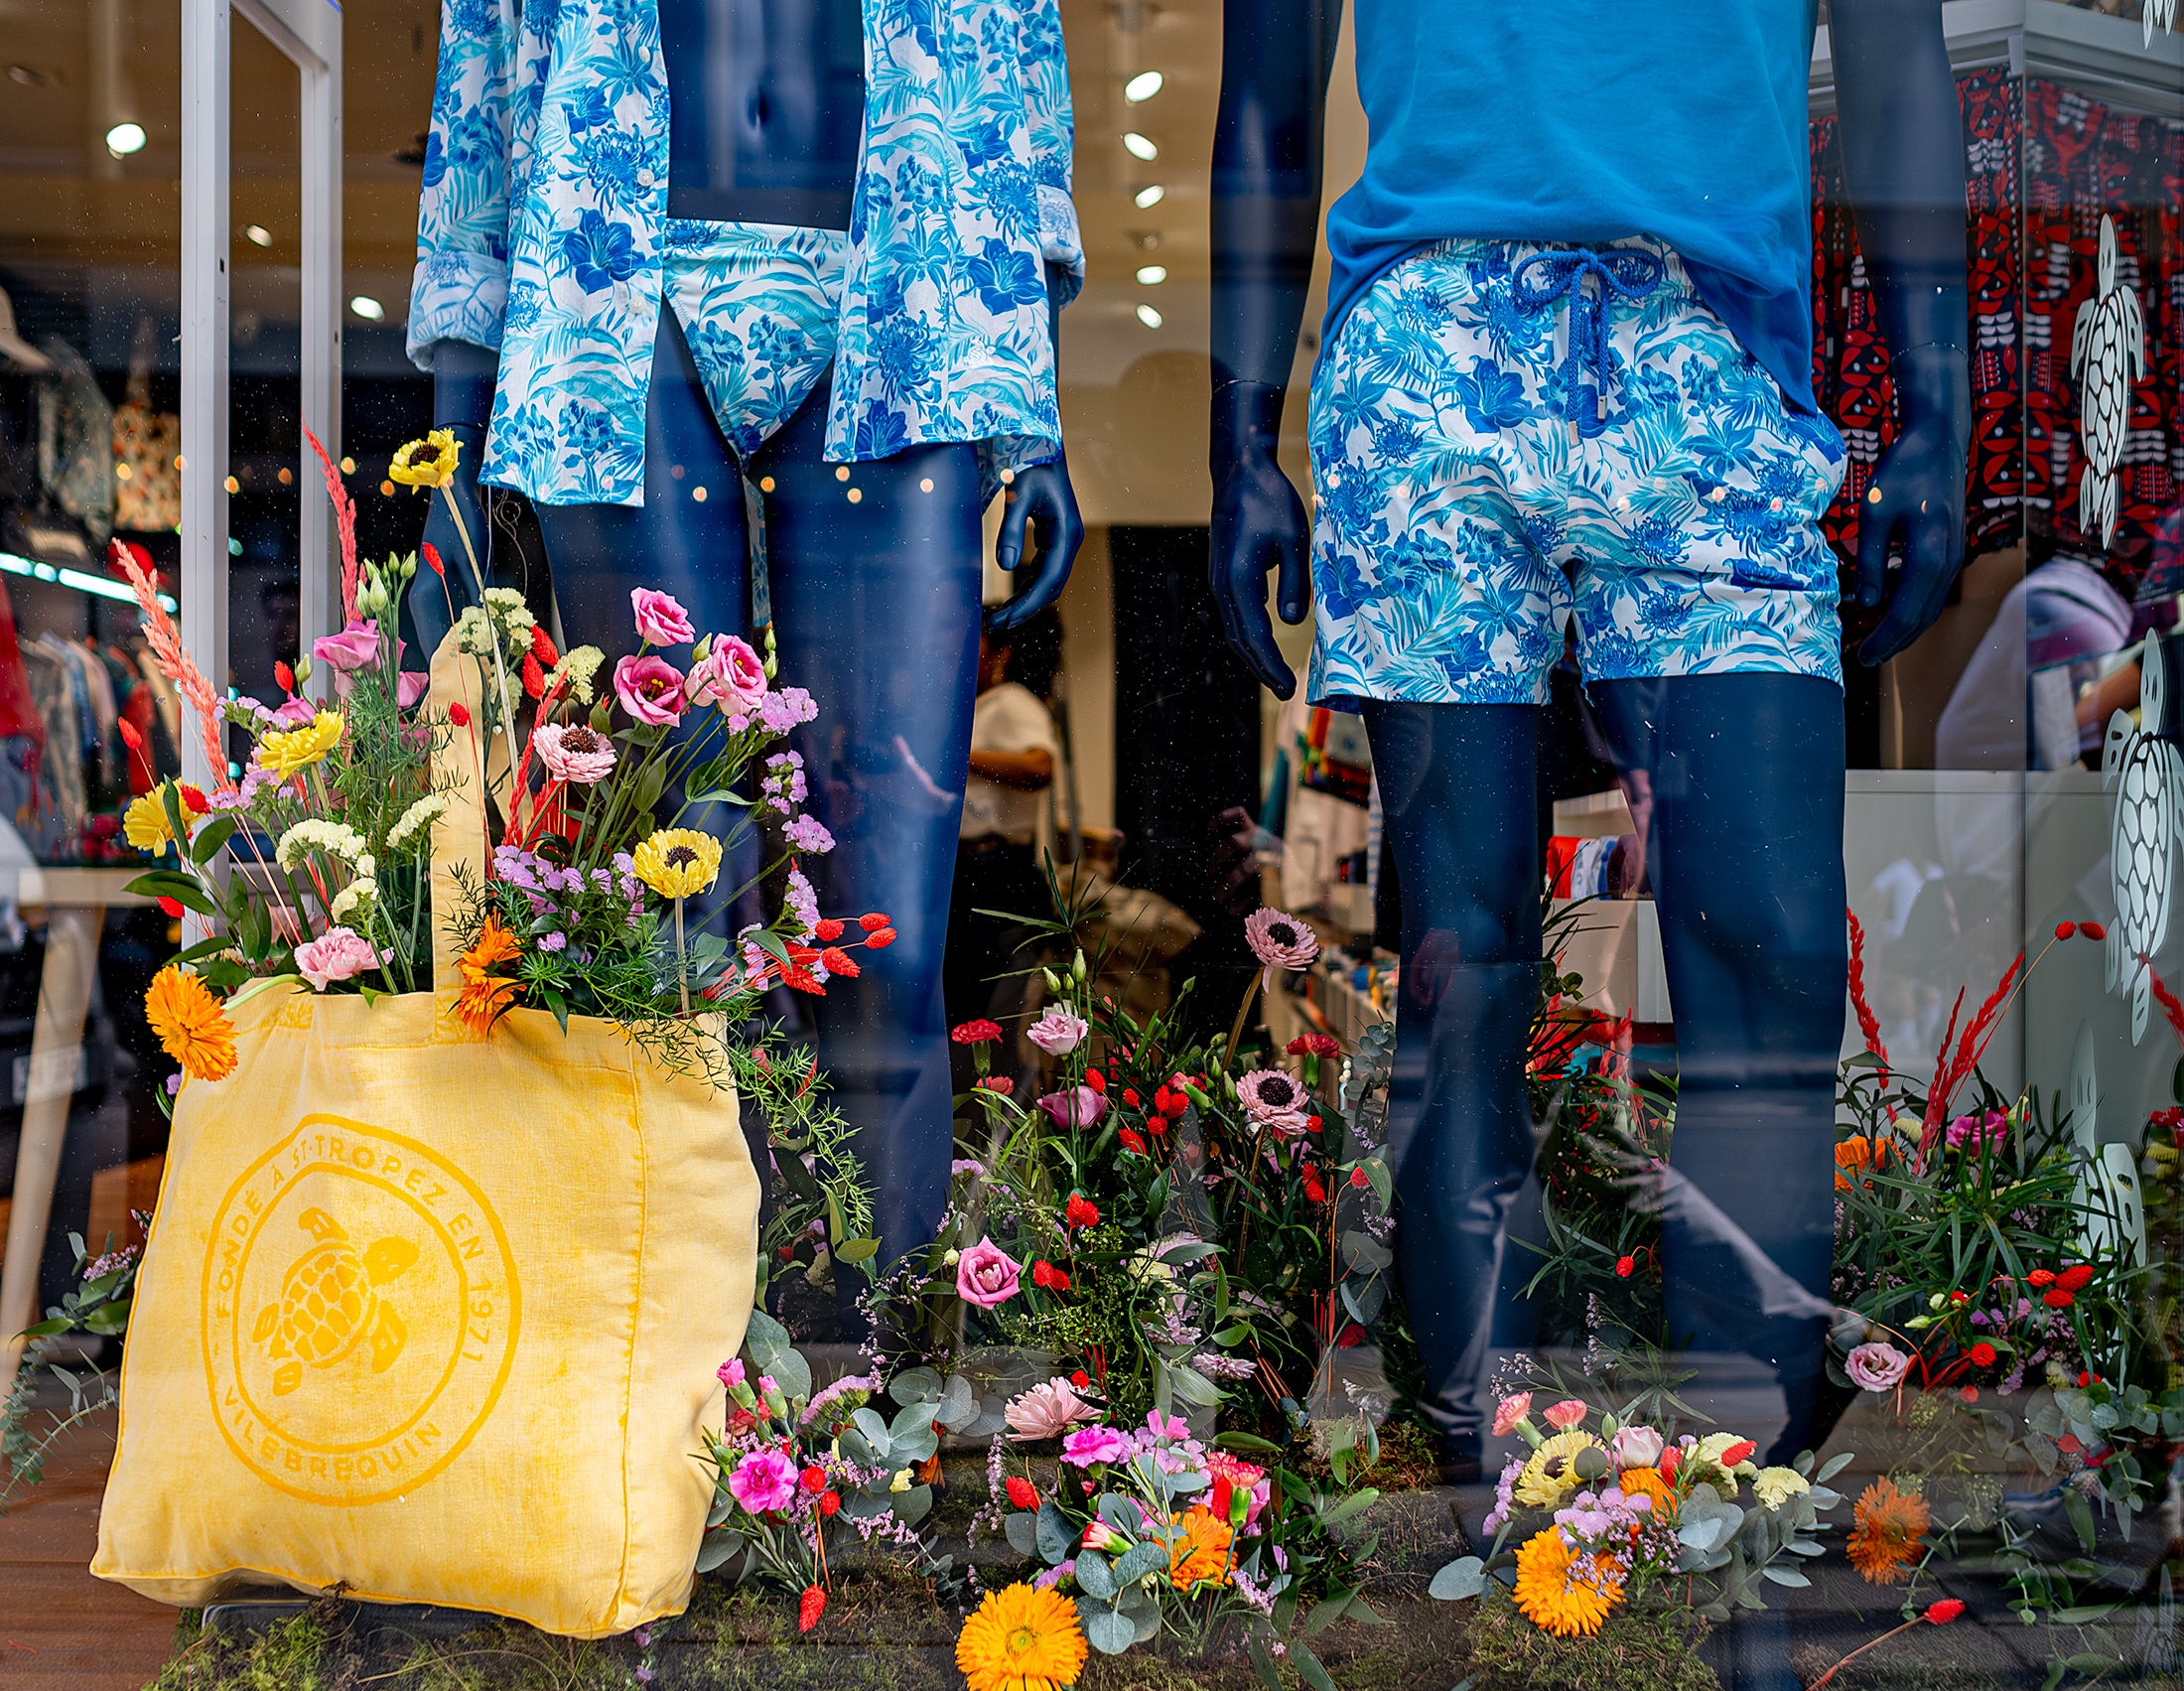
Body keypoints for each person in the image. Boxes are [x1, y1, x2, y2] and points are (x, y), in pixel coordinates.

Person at [1208, 0, 1972, 1487]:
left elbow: (1893, 57)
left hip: (1713, 352)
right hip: (1427, 346)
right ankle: (1507, 1530)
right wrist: (1239, 434)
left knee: (1773, 950)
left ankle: (1737, 1554)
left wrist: (1938, 405)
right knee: (1463, 965)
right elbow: (1268, 87)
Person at [403, 0, 1085, 1271]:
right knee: (670, 924)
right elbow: (488, 61)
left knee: (890, 939)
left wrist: (1034, 396)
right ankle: (673, 1408)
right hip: (616, 279)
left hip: (913, 274)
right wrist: (457, 442)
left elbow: (1018, 54)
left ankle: (883, 1402)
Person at [945, 623, 1061, 1050]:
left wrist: (960, 758)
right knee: (967, 999)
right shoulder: (977, 705)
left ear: (1001, 653)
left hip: (997, 869)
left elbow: (1039, 766)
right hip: (970, 868)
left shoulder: (1011, 702)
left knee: (991, 1007)